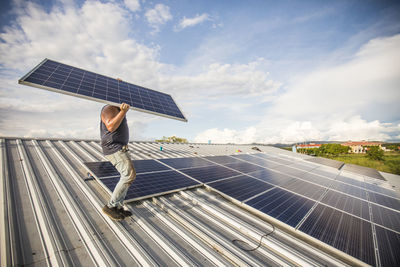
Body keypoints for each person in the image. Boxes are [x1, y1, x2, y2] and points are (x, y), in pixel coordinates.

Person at [100, 103, 136, 221]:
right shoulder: (108, 108)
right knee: (128, 175)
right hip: (114, 148)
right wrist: (123, 112)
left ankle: (118, 207)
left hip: (120, 147)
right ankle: (110, 206)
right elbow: (111, 126)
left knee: (128, 176)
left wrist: (122, 111)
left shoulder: (117, 109)